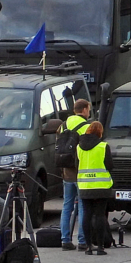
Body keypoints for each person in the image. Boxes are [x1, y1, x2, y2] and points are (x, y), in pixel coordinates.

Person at [58, 99, 92, 251]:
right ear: (84, 109)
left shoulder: (63, 125)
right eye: (88, 110)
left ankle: (65, 239)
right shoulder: (86, 127)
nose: (89, 113)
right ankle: (82, 241)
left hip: (66, 172)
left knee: (67, 206)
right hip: (81, 172)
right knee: (82, 206)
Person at [76, 120, 115, 256]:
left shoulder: (79, 147)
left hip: (85, 185)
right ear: (100, 132)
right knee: (99, 215)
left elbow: (77, 165)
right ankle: (100, 247)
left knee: (86, 215)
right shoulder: (103, 146)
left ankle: (88, 246)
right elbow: (109, 165)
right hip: (101, 186)